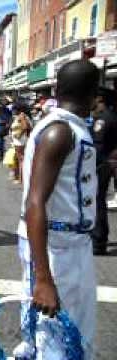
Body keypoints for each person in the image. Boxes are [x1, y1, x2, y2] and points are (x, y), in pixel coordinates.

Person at [14, 60, 100, 359]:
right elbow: (34, 202)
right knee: (55, 342)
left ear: (56, 89)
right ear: (94, 94)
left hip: (72, 245)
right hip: (55, 248)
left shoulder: (68, 128)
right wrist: (43, 279)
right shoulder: (60, 132)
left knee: (73, 334)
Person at [91, 87, 117, 255]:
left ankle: (98, 240)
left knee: (97, 201)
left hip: (102, 163)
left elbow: (98, 146)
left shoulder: (103, 119)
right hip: (107, 163)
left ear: (100, 99)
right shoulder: (111, 116)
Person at [10, 103, 32, 184]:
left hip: (20, 141)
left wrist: (19, 135)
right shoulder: (21, 116)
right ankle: (18, 177)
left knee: (21, 159)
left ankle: (21, 179)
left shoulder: (21, 116)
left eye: (14, 109)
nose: (12, 111)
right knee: (18, 158)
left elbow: (25, 127)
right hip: (19, 140)